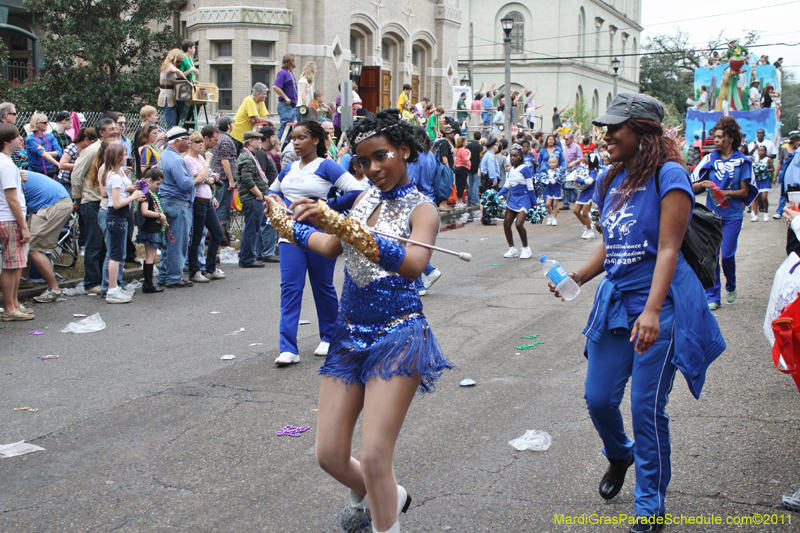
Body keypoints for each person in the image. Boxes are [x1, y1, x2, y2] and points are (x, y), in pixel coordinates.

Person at [265, 108, 452, 533]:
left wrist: (355, 233)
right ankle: (390, 496)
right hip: (349, 334)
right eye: (363, 162)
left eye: (381, 157)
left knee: (373, 456)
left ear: (404, 150)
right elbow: (330, 246)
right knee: (329, 454)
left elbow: (414, 263)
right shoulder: (363, 197)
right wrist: (285, 223)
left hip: (398, 334)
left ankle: (385, 524)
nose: (373, 169)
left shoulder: (422, 209)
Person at [549, 93, 725, 533]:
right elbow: (612, 242)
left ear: (643, 132)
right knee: (598, 399)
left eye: (615, 129)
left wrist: (650, 311)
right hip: (615, 303)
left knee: (646, 409)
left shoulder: (670, 175)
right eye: (605, 129)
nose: (606, 136)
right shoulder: (614, 179)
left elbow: (667, 247)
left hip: (660, 306)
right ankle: (620, 453)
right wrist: (579, 276)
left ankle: (650, 506)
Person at [268, 120, 365, 365]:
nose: (296, 142)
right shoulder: (288, 168)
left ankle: (329, 337)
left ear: (316, 140)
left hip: (321, 234)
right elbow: (272, 193)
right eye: (293, 138)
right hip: (290, 234)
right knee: (290, 288)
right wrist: (275, 204)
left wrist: (322, 209)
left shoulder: (327, 165)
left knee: (323, 286)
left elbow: (356, 192)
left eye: (302, 137)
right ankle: (288, 347)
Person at [691, 115, 757, 310]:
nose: (716, 140)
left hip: (733, 216)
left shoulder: (742, 162)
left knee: (726, 255)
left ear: (730, 138)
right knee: (711, 256)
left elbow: (745, 191)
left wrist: (724, 192)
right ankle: (713, 296)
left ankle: (731, 284)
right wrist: (702, 184)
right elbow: (691, 186)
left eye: (720, 137)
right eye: (715, 137)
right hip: (711, 217)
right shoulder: (708, 160)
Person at [71, 118, 118, 295]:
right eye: (111, 129)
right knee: (94, 243)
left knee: (106, 244)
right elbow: (76, 175)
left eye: (116, 128)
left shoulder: (115, 147)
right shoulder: (91, 151)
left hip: (108, 202)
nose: (115, 131)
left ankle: (103, 279)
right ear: (101, 133)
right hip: (92, 201)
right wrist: (76, 199)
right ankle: (91, 282)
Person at [157, 127, 208, 288]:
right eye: (186, 139)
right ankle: (174, 277)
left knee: (168, 242)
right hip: (178, 204)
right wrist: (199, 178)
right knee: (178, 243)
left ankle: (164, 275)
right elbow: (185, 184)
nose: (189, 142)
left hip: (167, 201)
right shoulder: (176, 160)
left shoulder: (165, 155)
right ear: (176, 141)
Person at [100, 143, 144, 303]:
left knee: (116, 253)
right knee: (116, 254)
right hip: (116, 216)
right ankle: (112, 289)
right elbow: (117, 203)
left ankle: (114, 287)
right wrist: (133, 197)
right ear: (117, 157)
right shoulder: (116, 177)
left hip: (117, 216)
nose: (126, 158)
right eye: (124, 155)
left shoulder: (112, 174)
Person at [23, 171, 73, 304]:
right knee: (26, 242)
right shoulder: (8, 167)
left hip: (51, 204)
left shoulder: (5, 171)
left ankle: (54, 289)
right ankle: (23, 279)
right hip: (54, 200)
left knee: (35, 248)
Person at [0, 123, 33, 321]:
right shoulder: (6, 165)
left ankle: (13, 303)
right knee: (11, 265)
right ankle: (10, 308)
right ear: (6, 141)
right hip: (10, 219)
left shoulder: (6, 163)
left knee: (15, 263)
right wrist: (23, 226)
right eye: (17, 136)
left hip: (7, 217)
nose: (21, 139)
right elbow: (12, 199)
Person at [184, 130, 224, 283]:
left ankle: (210, 267)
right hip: (199, 200)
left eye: (201, 141)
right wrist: (207, 168)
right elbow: (201, 178)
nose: (200, 144)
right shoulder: (189, 160)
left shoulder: (200, 157)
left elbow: (211, 177)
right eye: (196, 142)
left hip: (208, 199)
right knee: (196, 236)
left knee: (217, 233)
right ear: (190, 144)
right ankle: (194, 271)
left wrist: (209, 177)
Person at [236, 130, 270, 269]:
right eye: (258, 139)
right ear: (250, 141)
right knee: (251, 229)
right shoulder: (246, 157)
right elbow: (247, 179)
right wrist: (259, 194)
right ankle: (247, 258)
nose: (261, 141)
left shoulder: (251, 156)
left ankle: (248, 256)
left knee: (253, 228)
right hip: (251, 198)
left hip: (253, 198)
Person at [497, 144, 536, 259]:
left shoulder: (525, 168)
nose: (513, 158)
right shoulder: (511, 170)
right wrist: (497, 195)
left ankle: (526, 248)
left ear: (520, 157)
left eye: (515, 155)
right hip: (514, 198)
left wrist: (534, 203)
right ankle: (512, 249)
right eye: (511, 156)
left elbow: (530, 187)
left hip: (524, 199)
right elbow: (507, 185)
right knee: (506, 223)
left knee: (519, 223)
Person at [136, 168, 167, 293]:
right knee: (151, 256)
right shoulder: (146, 193)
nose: (158, 187)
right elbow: (145, 211)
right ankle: (148, 284)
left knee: (152, 255)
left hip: (152, 227)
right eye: (157, 184)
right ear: (149, 180)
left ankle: (148, 283)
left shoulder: (150, 193)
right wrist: (159, 215)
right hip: (149, 228)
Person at [254, 126, 280, 263]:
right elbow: (261, 174)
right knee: (268, 223)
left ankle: (261, 252)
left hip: (269, 193)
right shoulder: (260, 154)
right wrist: (266, 193)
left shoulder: (265, 153)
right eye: (273, 136)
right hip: (266, 193)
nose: (275, 139)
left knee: (264, 223)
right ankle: (267, 252)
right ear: (267, 137)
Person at [211, 116, 237, 246]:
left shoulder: (218, 139)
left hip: (218, 178)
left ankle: (219, 235)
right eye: (231, 124)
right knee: (223, 208)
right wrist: (231, 180)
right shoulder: (226, 140)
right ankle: (221, 236)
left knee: (219, 206)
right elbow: (225, 161)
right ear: (228, 126)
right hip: (224, 179)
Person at [232, 83, 271, 153]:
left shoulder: (260, 102)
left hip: (245, 137)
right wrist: (269, 121)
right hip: (236, 135)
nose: (266, 96)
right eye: (264, 93)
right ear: (258, 94)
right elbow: (258, 118)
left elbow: (264, 116)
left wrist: (259, 119)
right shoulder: (249, 100)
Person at [57, 127, 96, 196]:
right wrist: (80, 165)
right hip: (66, 182)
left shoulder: (88, 150)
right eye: (93, 142)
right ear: (86, 139)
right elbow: (61, 165)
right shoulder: (72, 148)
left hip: (79, 182)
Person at [158, 49, 188, 130]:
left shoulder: (169, 66)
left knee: (174, 126)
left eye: (180, 62)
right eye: (178, 61)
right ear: (173, 58)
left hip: (171, 99)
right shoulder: (168, 65)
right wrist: (187, 81)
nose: (178, 64)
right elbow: (177, 71)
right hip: (167, 99)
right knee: (171, 127)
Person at [25, 113, 63, 179]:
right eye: (44, 123)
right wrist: (58, 164)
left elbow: (59, 152)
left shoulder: (50, 136)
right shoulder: (30, 139)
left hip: (50, 172)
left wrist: (46, 153)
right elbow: (42, 154)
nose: (47, 124)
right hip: (36, 173)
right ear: (36, 124)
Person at [573, 151, 600, 239]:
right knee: (576, 210)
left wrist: (578, 180)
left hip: (590, 192)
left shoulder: (594, 170)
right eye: (584, 157)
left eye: (587, 157)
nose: (585, 159)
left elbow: (589, 181)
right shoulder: (584, 168)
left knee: (585, 212)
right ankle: (587, 226)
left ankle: (590, 231)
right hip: (583, 191)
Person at [273, 54, 299, 141]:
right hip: (285, 105)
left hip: (291, 106)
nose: (296, 62)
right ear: (290, 61)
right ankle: (276, 144)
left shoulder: (290, 73)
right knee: (284, 126)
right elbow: (275, 86)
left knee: (289, 128)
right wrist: (285, 97)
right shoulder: (282, 73)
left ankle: (284, 145)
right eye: (294, 60)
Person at [774, 133, 800, 219]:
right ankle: (779, 211)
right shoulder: (784, 150)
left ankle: (793, 211)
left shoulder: (797, 151)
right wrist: (775, 175)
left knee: (794, 195)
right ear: (795, 141)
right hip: (785, 173)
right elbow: (780, 163)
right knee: (784, 193)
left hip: (795, 174)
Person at [178, 39, 200, 126]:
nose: (195, 49)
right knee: (184, 111)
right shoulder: (182, 59)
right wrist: (191, 70)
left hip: (191, 86)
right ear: (189, 48)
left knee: (195, 107)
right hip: (183, 89)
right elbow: (180, 74)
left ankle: (189, 125)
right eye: (193, 48)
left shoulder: (190, 59)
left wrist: (194, 80)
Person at [479, 138, 500, 226]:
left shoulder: (488, 155)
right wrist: (494, 179)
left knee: (487, 198)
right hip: (489, 180)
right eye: (497, 145)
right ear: (494, 146)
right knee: (488, 199)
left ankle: (486, 217)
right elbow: (491, 169)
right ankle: (486, 218)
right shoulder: (490, 156)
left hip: (486, 179)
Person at [750, 145, 773, 222]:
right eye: (759, 150)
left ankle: (766, 212)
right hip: (756, 179)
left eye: (762, 150)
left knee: (764, 197)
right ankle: (755, 215)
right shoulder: (755, 159)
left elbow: (772, 169)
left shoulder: (768, 159)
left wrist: (764, 170)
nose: (760, 152)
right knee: (755, 197)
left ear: (765, 152)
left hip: (764, 179)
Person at [542, 156, 564, 226]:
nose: (552, 164)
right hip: (550, 189)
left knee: (555, 205)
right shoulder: (547, 171)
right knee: (548, 204)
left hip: (557, 189)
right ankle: (550, 216)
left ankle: (554, 218)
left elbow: (561, 179)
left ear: (557, 163)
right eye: (550, 163)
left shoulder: (559, 171)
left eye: (553, 162)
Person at [466, 131, 482, 205]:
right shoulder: (479, 146)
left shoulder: (469, 146)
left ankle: (469, 199)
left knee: (470, 183)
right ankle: (474, 200)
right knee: (476, 184)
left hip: (469, 166)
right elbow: (480, 157)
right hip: (476, 166)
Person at [454, 135, 471, 206]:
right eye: (465, 141)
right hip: (463, 168)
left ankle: (459, 200)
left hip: (457, 167)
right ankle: (459, 201)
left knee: (458, 184)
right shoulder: (463, 150)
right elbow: (465, 160)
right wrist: (469, 154)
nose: (466, 142)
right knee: (462, 184)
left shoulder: (456, 149)